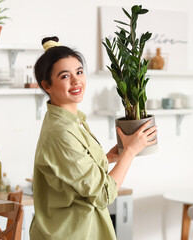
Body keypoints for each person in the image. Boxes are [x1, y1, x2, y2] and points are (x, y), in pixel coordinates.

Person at [29, 36, 157, 240]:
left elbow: (76, 176)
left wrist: (109, 157)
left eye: (79, 72)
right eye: (64, 76)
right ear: (47, 85)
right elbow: (103, 194)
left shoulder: (72, 121)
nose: (76, 80)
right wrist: (130, 152)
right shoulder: (61, 133)